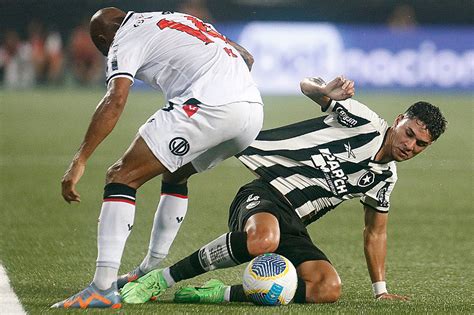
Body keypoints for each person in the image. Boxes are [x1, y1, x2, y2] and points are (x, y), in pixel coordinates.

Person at [119, 75, 447, 305]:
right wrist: (325, 90)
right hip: (264, 194)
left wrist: (381, 290)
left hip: (293, 224)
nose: (410, 146)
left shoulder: (384, 178)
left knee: (326, 288)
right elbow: (308, 86)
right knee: (264, 239)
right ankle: (161, 279)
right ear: (400, 119)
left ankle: (222, 293)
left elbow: (375, 233)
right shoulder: (362, 122)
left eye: (421, 144)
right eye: (409, 134)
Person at [52, 7, 263, 309]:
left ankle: (101, 288)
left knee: (121, 175)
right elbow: (247, 58)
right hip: (251, 112)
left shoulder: (122, 39)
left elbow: (115, 99)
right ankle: (147, 271)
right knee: (175, 173)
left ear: (102, 39)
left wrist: (79, 160)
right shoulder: (174, 18)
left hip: (210, 104)